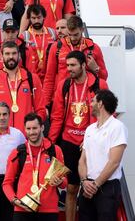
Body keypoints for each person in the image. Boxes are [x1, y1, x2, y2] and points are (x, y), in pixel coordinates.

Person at [49, 51, 108, 221]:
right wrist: (52, 142)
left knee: (91, 187)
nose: (69, 69)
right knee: (71, 188)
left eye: (73, 65)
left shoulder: (100, 84)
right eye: (67, 65)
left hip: (91, 144)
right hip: (68, 142)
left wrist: (90, 139)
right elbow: (57, 115)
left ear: (83, 65)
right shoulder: (64, 85)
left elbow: (107, 115)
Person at [3, 113, 67, 221]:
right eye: (28, 128)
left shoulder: (55, 150)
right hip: (23, 210)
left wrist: (59, 181)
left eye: (35, 128)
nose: (31, 132)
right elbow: (7, 183)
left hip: (48, 211)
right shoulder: (18, 153)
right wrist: (14, 201)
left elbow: (64, 183)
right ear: (25, 129)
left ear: (42, 127)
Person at [78, 90, 128, 221]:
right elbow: (82, 160)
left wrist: (95, 185)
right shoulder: (90, 129)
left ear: (100, 104)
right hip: (87, 185)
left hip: (107, 187)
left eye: (93, 101)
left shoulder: (117, 127)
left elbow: (114, 162)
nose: (90, 103)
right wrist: (84, 182)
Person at [0, 41, 46, 134]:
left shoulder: (32, 78)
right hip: (1, 138)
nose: (11, 57)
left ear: (19, 55)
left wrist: (33, 130)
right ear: (2, 57)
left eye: (14, 53)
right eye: (7, 54)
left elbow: (41, 110)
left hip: (25, 138)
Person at [42, 15, 108, 109]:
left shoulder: (93, 48)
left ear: (82, 30)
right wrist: (45, 104)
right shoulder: (57, 47)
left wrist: (96, 69)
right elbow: (49, 78)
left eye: (76, 34)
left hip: (86, 98)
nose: (72, 38)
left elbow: (104, 77)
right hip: (63, 97)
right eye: (69, 34)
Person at [19, 4, 57, 82]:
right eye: (33, 18)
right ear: (29, 19)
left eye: (39, 17)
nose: (36, 21)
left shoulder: (53, 33)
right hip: (31, 78)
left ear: (44, 17)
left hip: (50, 77)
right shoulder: (24, 36)